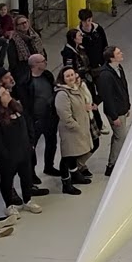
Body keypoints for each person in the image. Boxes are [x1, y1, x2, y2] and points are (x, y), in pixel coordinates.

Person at [0, 83, 44, 216]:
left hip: (24, 151)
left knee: (27, 177)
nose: (7, 94)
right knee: (7, 180)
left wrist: (31, 144)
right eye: (3, 93)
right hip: (7, 156)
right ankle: (9, 205)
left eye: (6, 91)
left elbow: (28, 124)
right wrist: (4, 155)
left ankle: (28, 200)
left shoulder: (17, 107)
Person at [15, 54, 60, 178]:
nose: (45, 62)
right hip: (35, 120)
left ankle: (49, 166)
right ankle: (31, 173)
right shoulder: (25, 82)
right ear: (35, 64)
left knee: (52, 142)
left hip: (50, 116)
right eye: (42, 61)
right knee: (32, 147)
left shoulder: (47, 75)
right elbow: (25, 103)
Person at [54, 66, 95, 195]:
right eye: (68, 76)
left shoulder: (75, 89)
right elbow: (65, 115)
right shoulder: (62, 94)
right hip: (70, 131)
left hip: (79, 128)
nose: (71, 77)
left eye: (72, 74)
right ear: (63, 78)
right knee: (67, 157)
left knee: (74, 155)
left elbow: (80, 106)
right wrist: (76, 126)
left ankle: (75, 175)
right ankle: (66, 183)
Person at [97, 46, 131, 177]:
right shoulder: (105, 75)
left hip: (121, 108)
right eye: (118, 53)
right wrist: (114, 116)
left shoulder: (118, 68)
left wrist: (127, 105)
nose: (121, 53)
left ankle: (115, 161)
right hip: (115, 111)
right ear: (112, 58)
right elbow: (107, 97)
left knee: (119, 136)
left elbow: (124, 87)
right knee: (120, 137)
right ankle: (112, 165)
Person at [78, 9, 109, 78]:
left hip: (101, 62)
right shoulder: (78, 34)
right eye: (84, 21)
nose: (87, 23)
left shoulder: (98, 29)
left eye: (89, 20)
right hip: (89, 67)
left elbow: (105, 44)